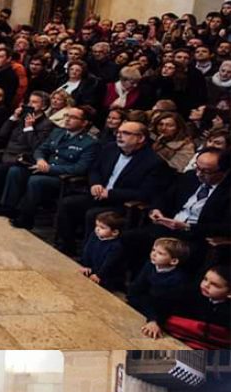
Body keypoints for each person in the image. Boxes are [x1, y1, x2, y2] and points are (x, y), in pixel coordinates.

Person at [54, 121, 168, 254]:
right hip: (99, 194)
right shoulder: (110, 148)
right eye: (118, 132)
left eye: (125, 133)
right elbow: (94, 169)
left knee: (94, 215)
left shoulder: (154, 162)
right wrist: (95, 183)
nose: (119, 136)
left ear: (141, 138)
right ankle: (66, 247)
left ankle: (90, 254)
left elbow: (145, 193)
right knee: (67, 204)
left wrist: (111, 193)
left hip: (122, 203)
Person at [128, 237, 191, 340]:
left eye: (160, 253)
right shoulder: (150, 265)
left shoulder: (177, 279)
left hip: (160, 314)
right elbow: (136, 289)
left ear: (174, 261)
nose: (153, 254)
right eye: (153, 250)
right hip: (143, 305)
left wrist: (154, 320)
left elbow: (166, 306)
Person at [80, 211, 128, 291]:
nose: (97, 229)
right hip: (94, 269)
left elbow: (109, 263)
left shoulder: (116, 246)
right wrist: (86, 265)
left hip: (107, 275)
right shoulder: (94, 236)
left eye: (102, 227)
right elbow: (87, 250)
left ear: (114, 232)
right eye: (97, 226)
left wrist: (99, 275)